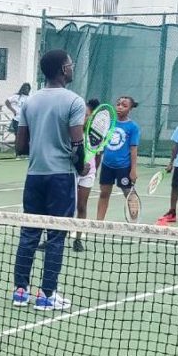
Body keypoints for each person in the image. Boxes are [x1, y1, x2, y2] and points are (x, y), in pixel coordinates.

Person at [12, 50, 87, 311]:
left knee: (29, 234)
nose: (72, 67)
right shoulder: (74, 101)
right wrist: (82, 165)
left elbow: (19, 146)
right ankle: (46, 295)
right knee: (56, 237)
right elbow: (77, 144)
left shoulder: (29, 103)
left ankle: (20, 292)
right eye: (70, 64)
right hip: (61, 178)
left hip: (34, 177)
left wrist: (41, 143)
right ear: (62, 70)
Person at [95, 95, 140, 222]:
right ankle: (98, 223)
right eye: (118, 104)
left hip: (124, 167)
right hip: (107, 166)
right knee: (104, 194)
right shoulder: (109, 123)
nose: (120, 107)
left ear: (130, 109)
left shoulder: (133, 127)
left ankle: (134, 223)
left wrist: (133, 170)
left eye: (124, 105)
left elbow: (133, 149)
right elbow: (101, 143)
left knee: (129, 195)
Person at [73, 98, 102, 252]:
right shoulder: (72, 131)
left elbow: (98, 155)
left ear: (91, 116)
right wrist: (78, 167)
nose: (82, 117)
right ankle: (54, 238)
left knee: (81, 206)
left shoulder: (95, 135)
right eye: (81, 114)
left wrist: (93, 170)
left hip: (87, 174)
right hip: (71, 172)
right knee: (65, 207)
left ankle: (78, 239)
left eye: (85, 115)